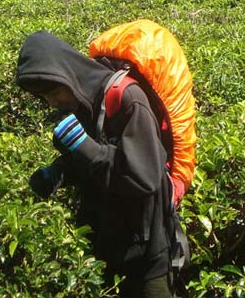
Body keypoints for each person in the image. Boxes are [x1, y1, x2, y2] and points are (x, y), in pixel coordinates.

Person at [16, 30, 177, 298]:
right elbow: (87, 160)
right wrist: (57, 172)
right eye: (44, 97)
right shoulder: (79, 100)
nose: (52, 102)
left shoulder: (128, 99)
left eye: (54, 92)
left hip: (146, 252)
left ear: (67, 73)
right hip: (103, 243)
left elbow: (143, 178)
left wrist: (83, 145)